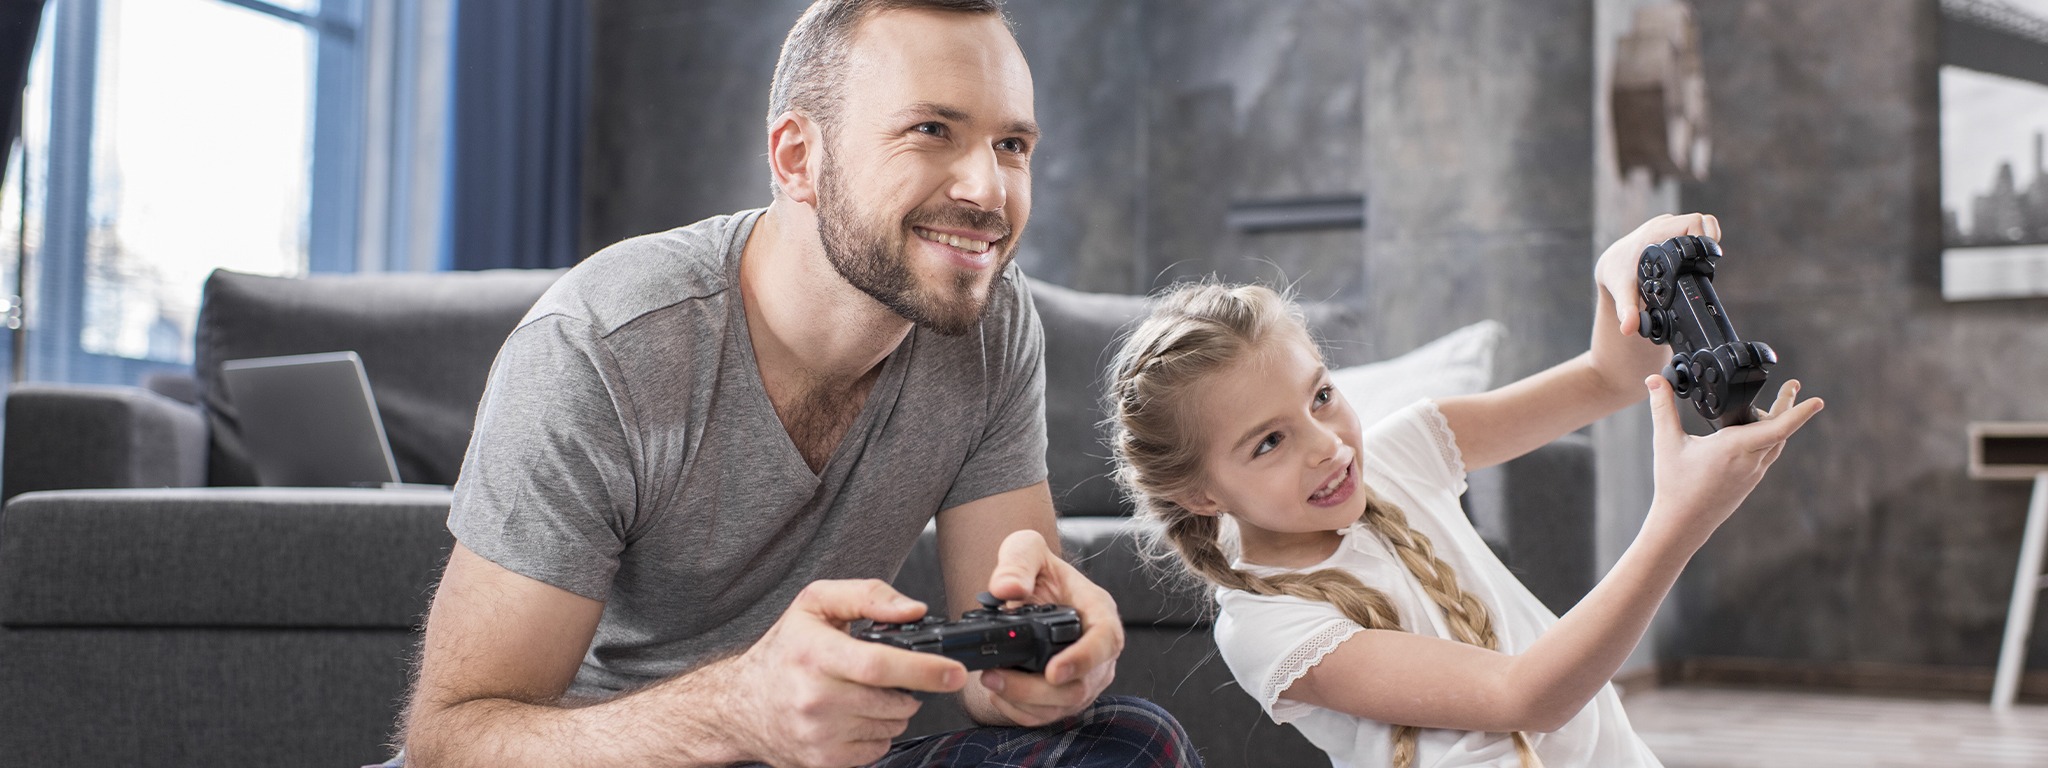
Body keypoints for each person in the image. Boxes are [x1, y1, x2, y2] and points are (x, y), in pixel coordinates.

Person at [396, 1, 1198, 766]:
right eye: (930, 130)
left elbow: (1000, 689)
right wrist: (735, 710)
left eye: (1012, 146)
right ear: (797, 158)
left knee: (1132, 741)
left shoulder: (990, 322)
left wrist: (1047, 668)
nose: (988, 192)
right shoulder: (603, 346)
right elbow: (452, 742)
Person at [1104, 214, 1824, 767]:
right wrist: (1678, 521)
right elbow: (1525, 697)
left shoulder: (1402, 451)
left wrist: (1621, 273)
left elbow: (1608, 376)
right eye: (1268, 443)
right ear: (1201, 494)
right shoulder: (1268, 625)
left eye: (1321, 396)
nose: (1326, 445)